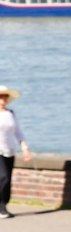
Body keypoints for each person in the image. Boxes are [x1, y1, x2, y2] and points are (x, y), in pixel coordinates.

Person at [0, 86, 27, 218]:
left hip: (9, 149)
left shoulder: (10, 113)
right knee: (3, 177)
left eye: (5, 97)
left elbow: (17, 131)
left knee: (8, 179)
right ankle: (1, 207)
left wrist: (24, 146)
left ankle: (4, 204)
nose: (3, 99)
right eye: (1, 97)